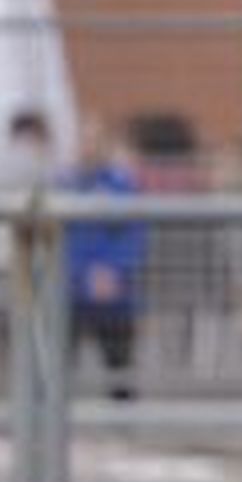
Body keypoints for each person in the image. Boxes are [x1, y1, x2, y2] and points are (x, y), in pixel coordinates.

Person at [63, 118, 149, 402]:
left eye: (94, 141)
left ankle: (124, 431)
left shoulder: (121, 185)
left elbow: (134, 235)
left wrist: (114, 270)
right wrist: (78, 275)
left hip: (114, 296)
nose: (87, 147)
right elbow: (60, 240)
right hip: (71, 293)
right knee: (56, 367)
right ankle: (52, 429)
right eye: (83, 140)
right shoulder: (65, 186)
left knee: (120, 371)